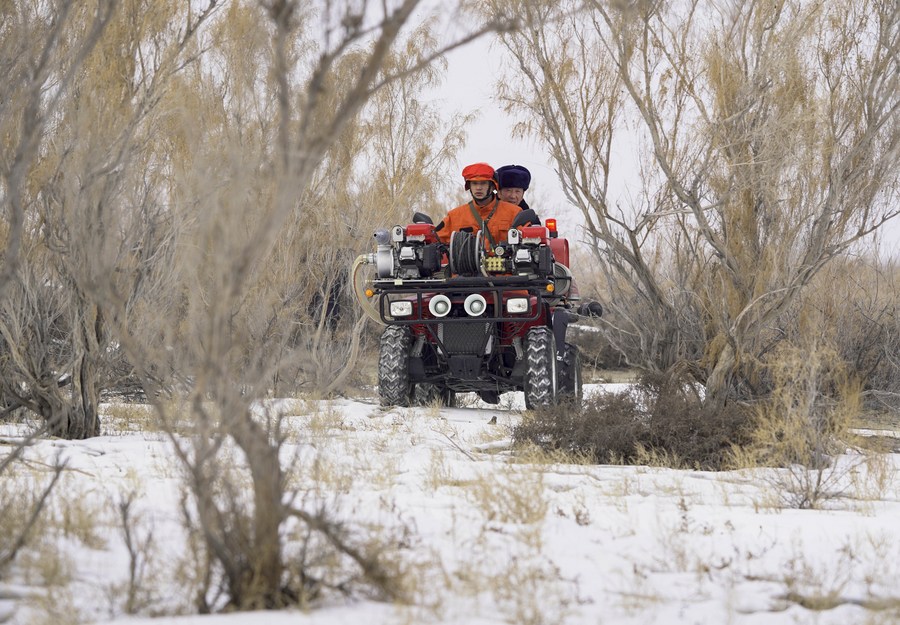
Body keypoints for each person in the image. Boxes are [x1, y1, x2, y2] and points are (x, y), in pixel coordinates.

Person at [435, 162, 525, 249]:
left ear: (493, 186)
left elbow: (530, 241)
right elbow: (434, 242)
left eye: (483, 183)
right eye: (474, 184)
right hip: (466, 265)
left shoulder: (514, 213)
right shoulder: (454, 216)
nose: (478, 188)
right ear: (469, 186)